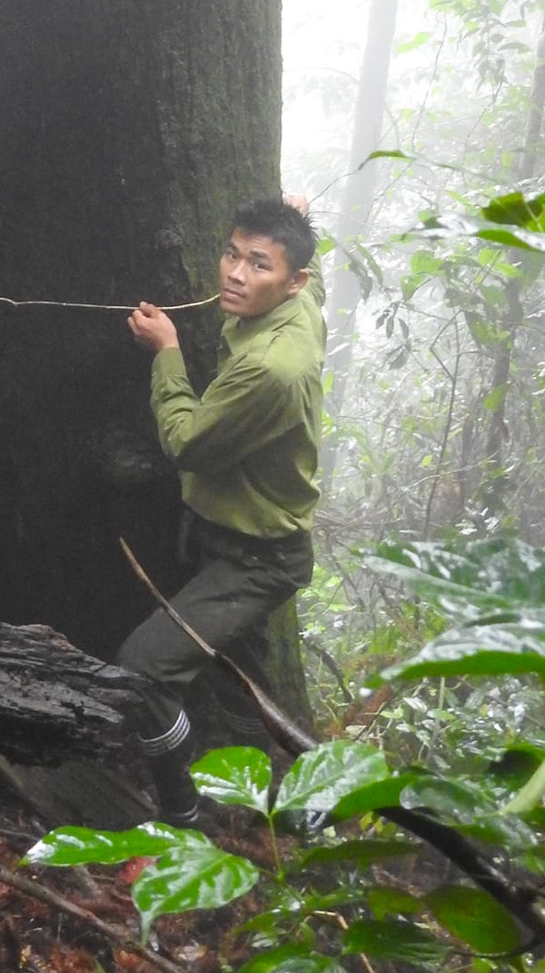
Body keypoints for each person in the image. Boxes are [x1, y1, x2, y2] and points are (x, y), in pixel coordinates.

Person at [118, 194, 324, 824]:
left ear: (294, 284)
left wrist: (167, 352)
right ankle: (288, 804)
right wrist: (291, 212)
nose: (235, 274)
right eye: (232, 254)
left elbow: (187, 444)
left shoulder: (270, 369)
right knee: (244, 688)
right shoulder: (303, 306)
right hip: (231, 540)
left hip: (256, 560)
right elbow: (304, 263)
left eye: (258, 265)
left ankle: (185, 808)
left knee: (143, 671)